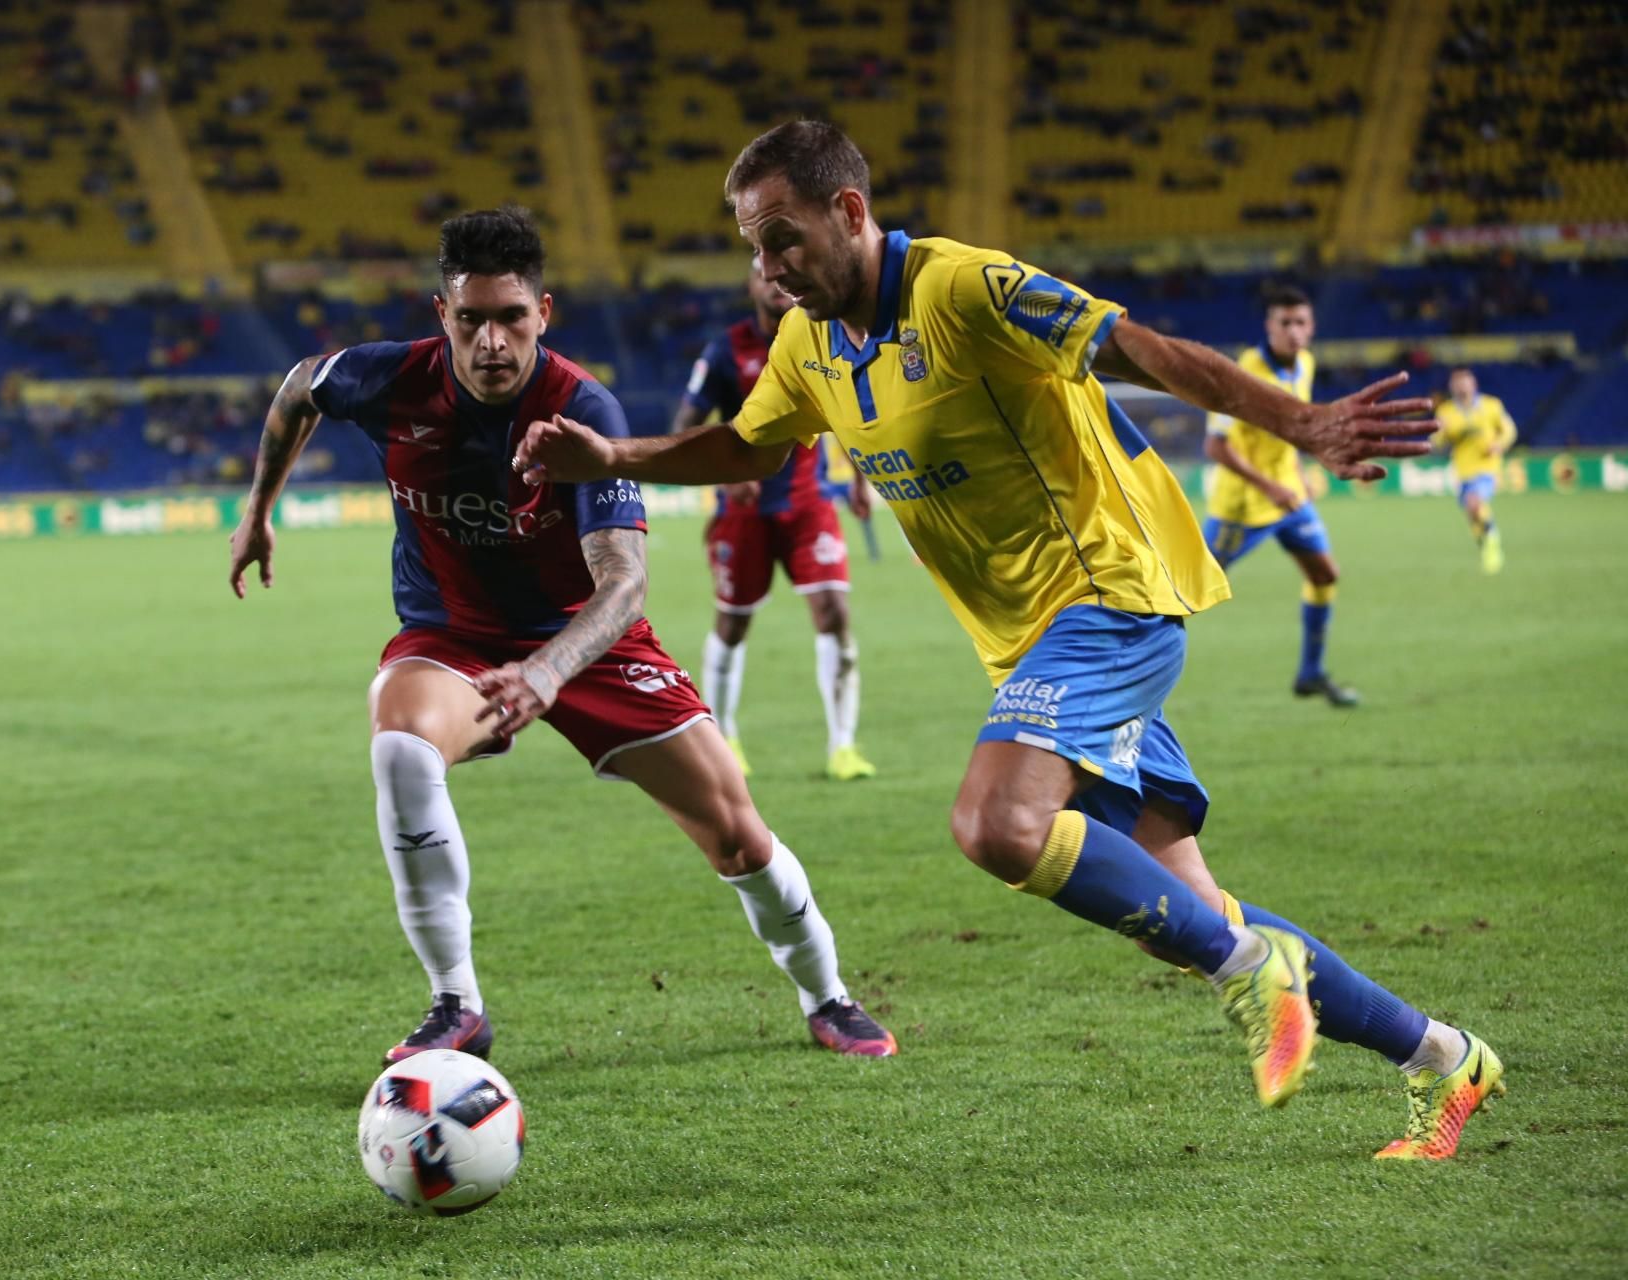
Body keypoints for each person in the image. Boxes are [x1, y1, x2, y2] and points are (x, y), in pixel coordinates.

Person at [519, 122, 1504, 1159]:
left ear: (850, 211)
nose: (769, 270)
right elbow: (747, 444)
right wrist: (612, 456)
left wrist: (1301, 423)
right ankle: (1443, 1056)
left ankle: (1251, 970)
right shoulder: (808, 343)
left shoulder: (963, 288)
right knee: (1190, 909)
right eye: (753, 249)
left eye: (783, 238)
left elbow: (1138, 348)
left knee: (997, 824)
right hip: (1033, 644)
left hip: (1110, 594)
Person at [226, 206, 896, 1064]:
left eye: (511, 317)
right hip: (453, 640)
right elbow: (298, 389)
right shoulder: (386, 379)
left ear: (543, 313)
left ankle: (828, 994)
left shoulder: (582, 410)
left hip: (590, 642)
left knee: (736, 832)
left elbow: (623, 584)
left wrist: (546, 671)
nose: (492, 342)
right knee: (399, 746)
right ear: (442, 315)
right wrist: (259, 510)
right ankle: (456, 1003)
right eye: (471, 319)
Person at [671, 254, 876, 780]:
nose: (777, 285)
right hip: (744, 512)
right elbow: (685, 424)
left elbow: (846, 411)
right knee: (733, 623)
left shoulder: (821, 337)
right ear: (751, 285)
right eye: (765, 276)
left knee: (834, 613)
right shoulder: (726, 350)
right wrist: (723, 476)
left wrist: (858, 479)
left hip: (808, 503)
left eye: (783, 278)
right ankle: (725, 739)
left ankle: (843, 747)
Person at [1200, 286, 1358, 707]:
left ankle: (1311, 673)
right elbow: (1216, 447)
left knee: (1325, 574)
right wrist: (1271, 487)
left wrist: (1299, 475)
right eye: (1284, 323)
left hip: (1290, 498)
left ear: (1312, 326)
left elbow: (1290, 429)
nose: (1293, 331)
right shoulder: (1242, 376)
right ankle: (1115, 664)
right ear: (1268, 326)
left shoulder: (1305, 364)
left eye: (1300, 322)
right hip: (1242, 507)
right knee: (1188, 592)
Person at [1431, 367, 1516, 574]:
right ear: (1452, 387)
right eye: (1457, 384)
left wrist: (1499, 444)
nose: (1462, 388)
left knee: (1474, 501)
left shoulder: (1491, 405)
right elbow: (1436, 443)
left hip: (1488, 468)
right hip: (1462, 472)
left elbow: (1510, 430)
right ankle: (1486, 545)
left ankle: (1493, 539)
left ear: (1474, 384)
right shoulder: (1445, 412)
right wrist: (1439, 432)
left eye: (1465, 383)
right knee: (1472, 512)